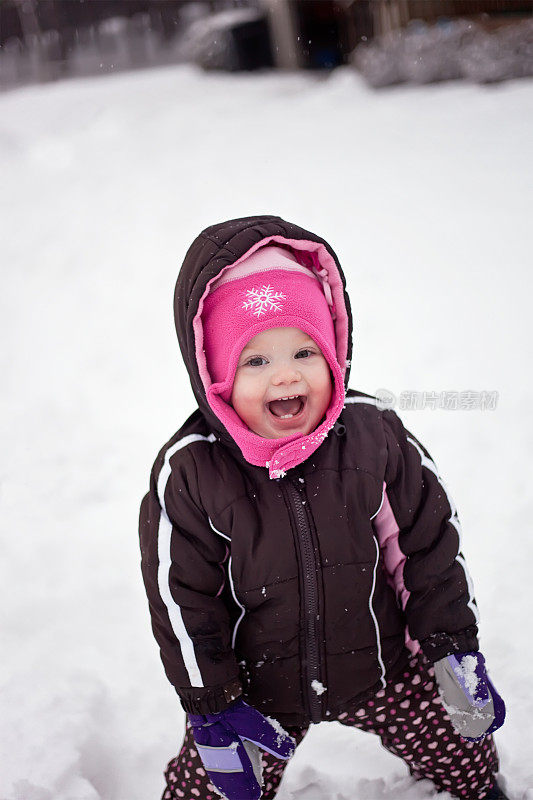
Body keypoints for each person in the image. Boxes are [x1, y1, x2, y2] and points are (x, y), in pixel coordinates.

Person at [139, 215, 506, 800]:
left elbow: (426, 548)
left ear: (334, 350)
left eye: (305, 351)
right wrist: (212, 704)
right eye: (254, 361)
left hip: (383, 666)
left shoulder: (373, 437)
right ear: (213, 373)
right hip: (258, 691)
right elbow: (184, 602)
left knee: (463, 745)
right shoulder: (192, 472)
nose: (286, 374)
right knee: (210, 787)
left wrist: (450, 649)